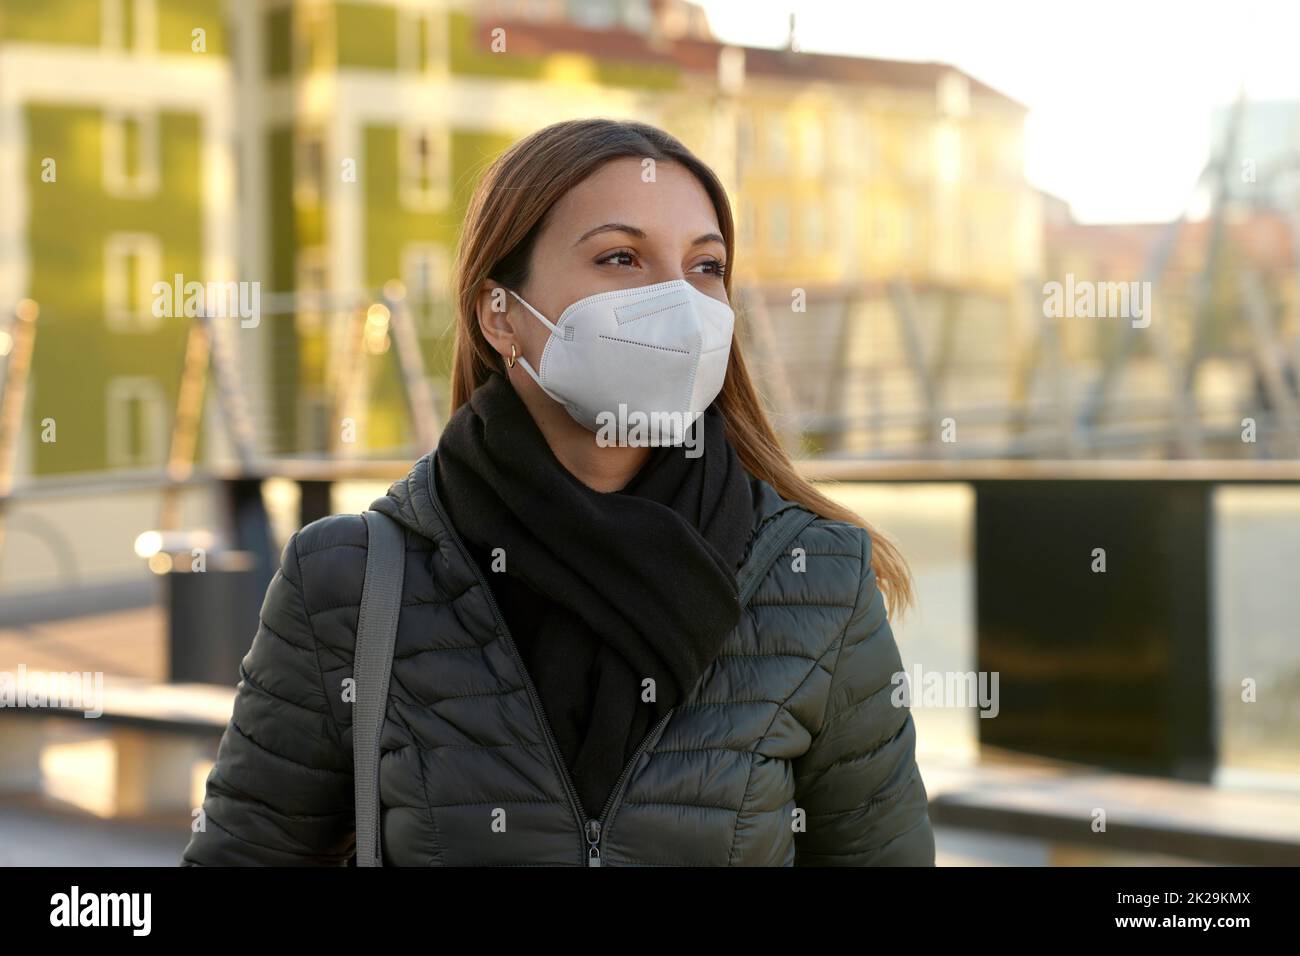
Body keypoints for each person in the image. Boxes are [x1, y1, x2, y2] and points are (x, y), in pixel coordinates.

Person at [180, 117, 934, 866]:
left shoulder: (817, 578)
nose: (679, 305)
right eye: (621, 257)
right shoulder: (350, 579)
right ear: (500, 315)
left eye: (705, 267)